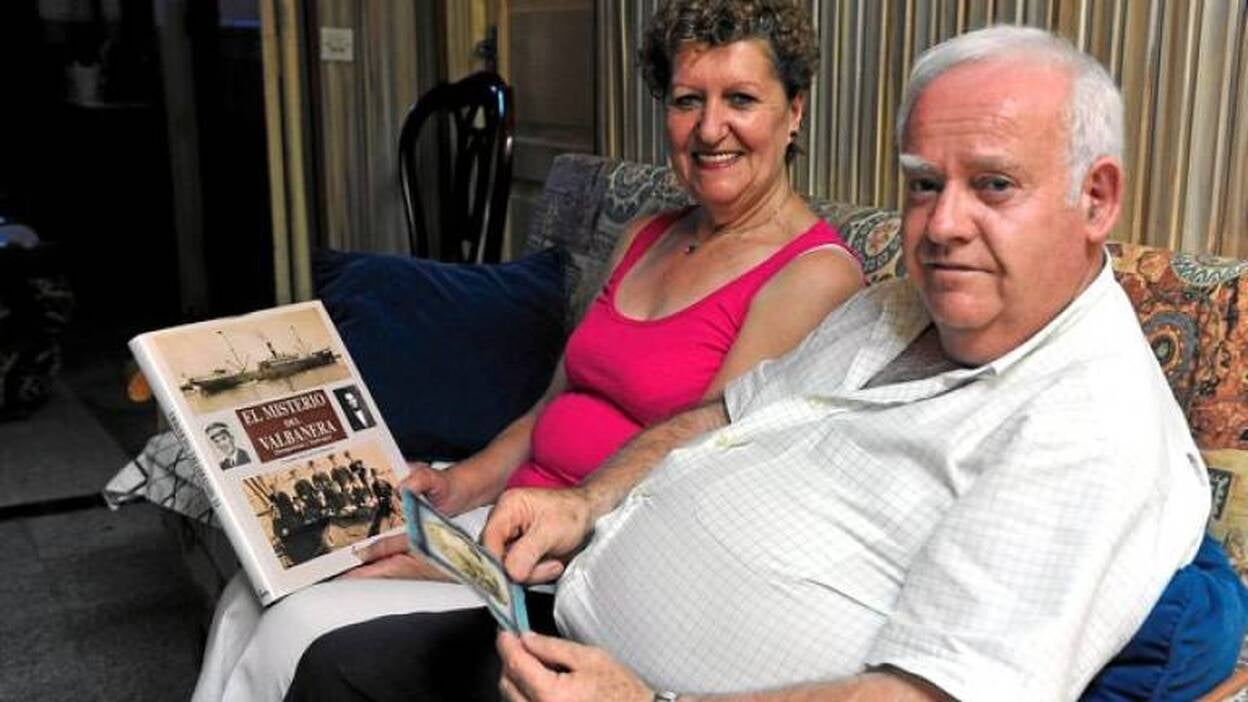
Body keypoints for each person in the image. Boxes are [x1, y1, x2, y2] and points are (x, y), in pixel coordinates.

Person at [284, 25, 1212, 701]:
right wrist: (585, 502)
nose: (942, 225)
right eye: (924, 184)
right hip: (564, 624)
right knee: (332, 664)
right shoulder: (898, 305)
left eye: (994, 185)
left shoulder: (1090, 423)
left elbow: (935, 695)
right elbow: (724, 413)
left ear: (1097, 199)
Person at [191, 2, 863, 700]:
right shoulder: (647, 233)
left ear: (794, 111)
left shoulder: (812, 274)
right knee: (266, 583)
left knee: (298, 621)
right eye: (688, 99)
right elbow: (554, 402)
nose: (710, 128)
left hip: (573, 567)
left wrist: (469, 562)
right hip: (504, 518)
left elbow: (698, 481)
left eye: (741, 100)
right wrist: (459, 486)